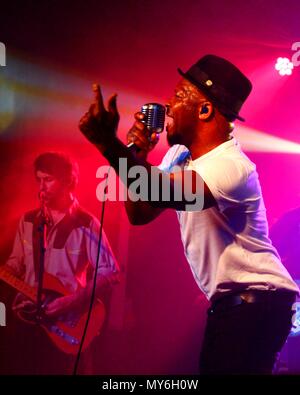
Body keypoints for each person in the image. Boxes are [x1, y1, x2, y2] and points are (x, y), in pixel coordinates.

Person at [78, 54, 299, 374]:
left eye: (179, 96)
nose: (167, 105)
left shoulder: (231, 167)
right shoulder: (179, 154)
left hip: (257, 301)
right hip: (236, 305)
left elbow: (160, 191)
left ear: (205, 110)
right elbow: (140, 211)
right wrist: (135, 151)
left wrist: (107, 144)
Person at [1, 152, 119, 374]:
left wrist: (70, 302)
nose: (41, 187)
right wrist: (18, 295)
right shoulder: (27, 221)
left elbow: (111, 273)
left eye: (48, 180)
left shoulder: (86, 224)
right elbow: (16, 264)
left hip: (67, 324)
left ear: (68, 181)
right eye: (39, 180)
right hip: (28, 326)